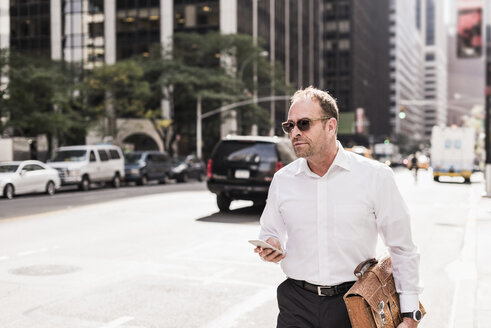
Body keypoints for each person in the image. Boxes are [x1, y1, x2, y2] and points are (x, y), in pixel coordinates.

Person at [254, 86, 422, 328]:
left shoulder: (375, 176)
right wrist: (271, 245)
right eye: (289, 126)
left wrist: (410, 313)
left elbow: (402, 247)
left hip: (354, 304)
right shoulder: (283, 180)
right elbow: (269, 231)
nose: (295, 132)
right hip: (296, 303)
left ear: (331, 126)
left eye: (304, 123)